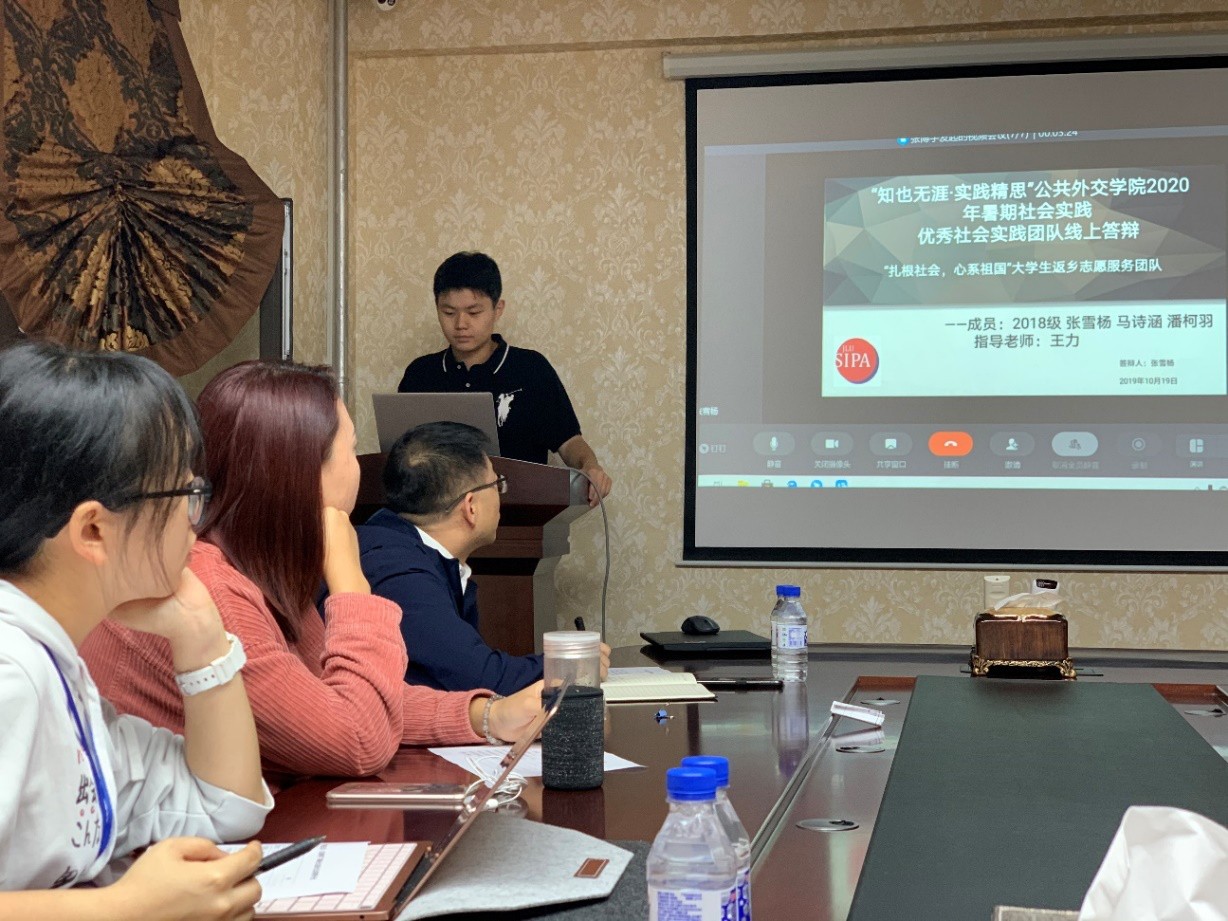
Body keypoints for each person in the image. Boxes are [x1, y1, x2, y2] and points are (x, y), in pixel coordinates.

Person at [83, 360, 545, 781]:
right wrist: (350, 586)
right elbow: (357, 740)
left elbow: (357, 698)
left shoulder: (256, 565)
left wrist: (490, 715)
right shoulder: (213, 587)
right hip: (159, 840)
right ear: (303, 473)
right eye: (351, 449)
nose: (358, 468)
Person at [0, 342, 269, 918]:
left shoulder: (50, 663)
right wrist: (125, 910)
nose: (196, 521)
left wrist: (200, 636)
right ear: (93, 530)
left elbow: (225, 807)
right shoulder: (10, 673)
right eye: (186, 494)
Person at [358, 421, 609, 695]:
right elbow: (479, 677)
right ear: (471, 507)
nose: (500, 497)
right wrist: (569, 665)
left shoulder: (406, 551)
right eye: (496, 484)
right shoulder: (398, 571)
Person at [397, 251, 613, 506]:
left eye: (474, 312)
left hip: (519, 513)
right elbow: (401, 455)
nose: (461, 324)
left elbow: (569, 442)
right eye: (449, 312)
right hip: (436, 516)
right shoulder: (420, 374)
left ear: (497, 309)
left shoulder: (531, 369)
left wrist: (590, 465)